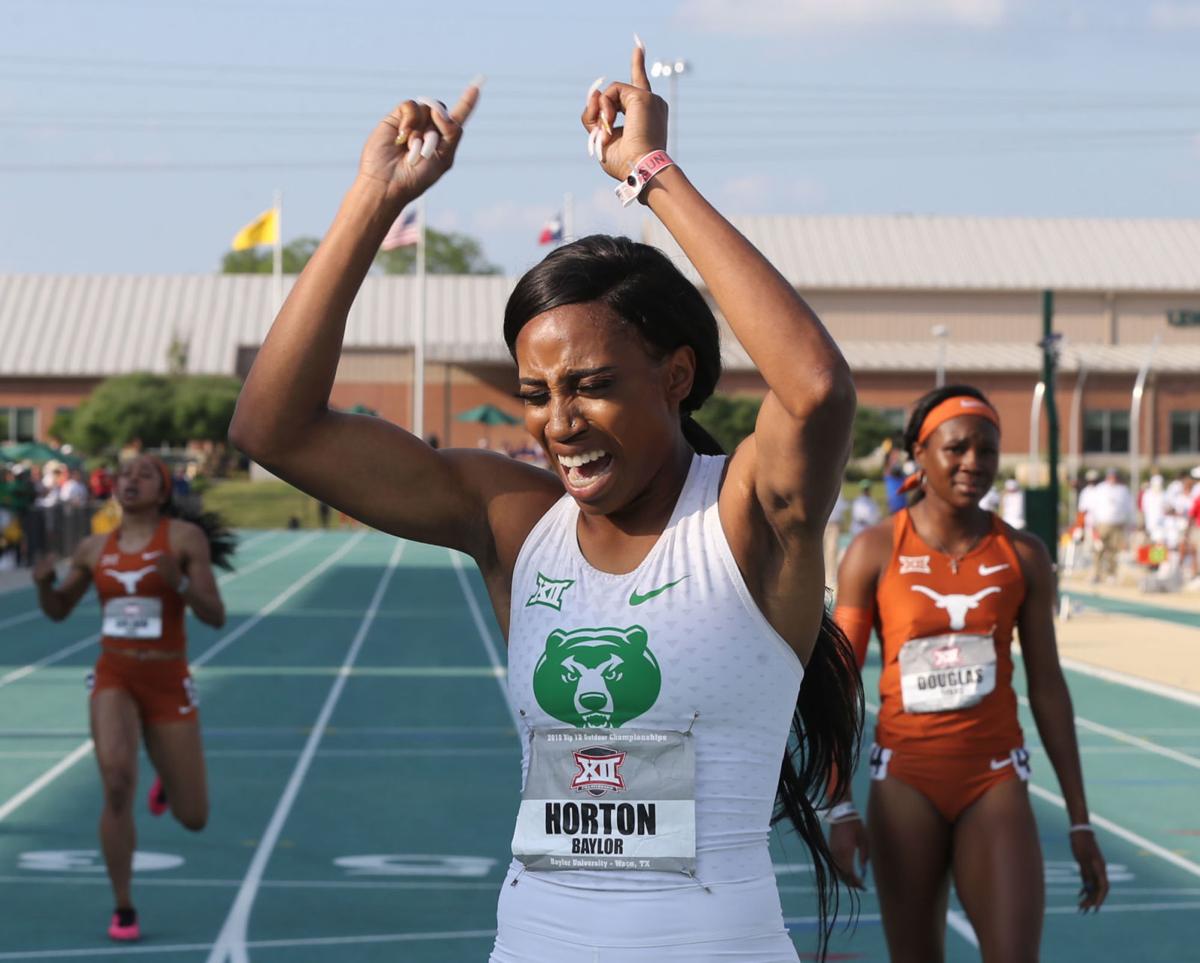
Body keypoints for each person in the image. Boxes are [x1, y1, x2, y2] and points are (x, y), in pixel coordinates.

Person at [228, 42, 863, 962]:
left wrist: (651, 174)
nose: (560, 422)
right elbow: (273, 427)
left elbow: (815, 390)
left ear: (677, 374)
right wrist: (377, 198)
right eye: (536, 393)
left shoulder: (747, 516)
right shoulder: (517, 524)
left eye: (593, 385)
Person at [831, 385, 1108, 962]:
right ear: (920, 454)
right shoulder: (873, 551)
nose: (974, 463)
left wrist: (1080, 820)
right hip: (905, 779)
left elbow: (1049, 687)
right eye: (957, 448)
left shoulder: (1023, 554)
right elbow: (839, 686)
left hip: (994, 776)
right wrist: (838, 803)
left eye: (987, 449)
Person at [32, 454, 234, 942]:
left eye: (145, 474)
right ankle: (123, 906)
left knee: (193, 817)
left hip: (167, 680)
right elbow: (59, 611)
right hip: (114, 676)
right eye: (124, 475)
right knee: (117, 781)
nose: (131, 480)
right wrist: (43, 584)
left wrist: (179, 583)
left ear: (163, 491)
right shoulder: (93, 547)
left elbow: (215, 616)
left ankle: (166, 776)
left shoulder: (184, 541)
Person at [1088, 467, 1134, 583]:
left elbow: (1129, 508)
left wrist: (1129, 524)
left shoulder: (1122, 490)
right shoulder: (1100, 489)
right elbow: (1093, 508)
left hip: (1117, 524)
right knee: (1098, 549)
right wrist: (1093, 526)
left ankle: (1111, 574)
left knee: (1113, 550)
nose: (1112, 478)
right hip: (1102, 524)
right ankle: (1096, 574)